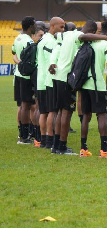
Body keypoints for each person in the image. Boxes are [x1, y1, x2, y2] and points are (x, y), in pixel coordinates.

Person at [49, 20, 107, 155]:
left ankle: (56, 145)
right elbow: (83, 36)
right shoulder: (78, 35)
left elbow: (56, 37)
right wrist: (104, 37)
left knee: (60, 111)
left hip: (57, 76)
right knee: (67, 112)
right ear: (92, 32)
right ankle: (62, 147)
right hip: (67, 77)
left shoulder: (66, 34)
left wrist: (53, 62)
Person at [80, 21, 107, 157]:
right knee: (101, 114)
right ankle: (104, 149)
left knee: (86, 115)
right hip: (98, 85)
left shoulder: (89, 42)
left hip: (84, 84)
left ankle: (83, 148)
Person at [37, 17, 65, 153]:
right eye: (61, 27)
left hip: (41, 80)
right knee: (52, 111)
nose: (63, 30)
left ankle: (43, 140)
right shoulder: (50, 41)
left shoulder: (43, 40)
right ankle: (50, 139)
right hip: (49, 80)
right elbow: (52, 63)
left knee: (44, 111)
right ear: (52, 26)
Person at [12, 16, 37, 144]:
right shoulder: (29, 42)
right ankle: (25, 136)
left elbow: (13, 53)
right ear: (30, 26)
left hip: (18, 75)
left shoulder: (18, 38)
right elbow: (33, 61)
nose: (36, 26)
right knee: (27, 105)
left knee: (22, 105)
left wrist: (19, 63)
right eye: (34, 24)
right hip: (27, 76)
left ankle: (22, 134)